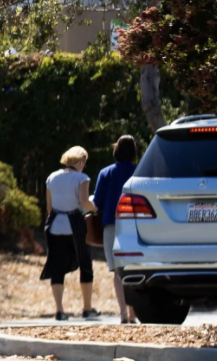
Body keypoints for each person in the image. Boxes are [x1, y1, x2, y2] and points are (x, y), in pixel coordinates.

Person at [40, 145, 98, 320]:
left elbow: (49, 207)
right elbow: (84, 202)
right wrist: (95, 209)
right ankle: (87, 308)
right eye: (84, 162)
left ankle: (59, 310)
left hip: (55, 225)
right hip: (74, 225)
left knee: (56, 266)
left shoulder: (52, 177)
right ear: (80, 161)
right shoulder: (82, 178)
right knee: (85, 263)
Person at [92, 134, 140, 324]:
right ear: (134, 151)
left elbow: (97, 202)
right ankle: (134, 313)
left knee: (118, 272)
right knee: (134, 269)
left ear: (116, 150)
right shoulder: (139, 171)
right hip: (135, 224)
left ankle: (122, 314)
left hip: (111, 224)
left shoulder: (105, 173)